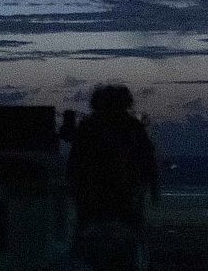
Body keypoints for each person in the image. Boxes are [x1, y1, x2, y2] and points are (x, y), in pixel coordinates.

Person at [66, 85, 161, 233]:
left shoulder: (89, 126)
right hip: (117, 193)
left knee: (88, 231)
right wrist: (154, 188)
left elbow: (75, 162)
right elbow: (148, 158)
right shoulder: (131, 126)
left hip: (98, 193)